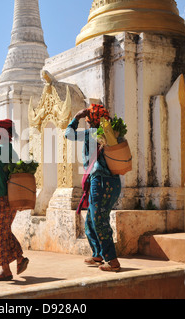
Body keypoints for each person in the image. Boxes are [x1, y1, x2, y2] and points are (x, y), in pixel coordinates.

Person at [65, 104, 122, 272]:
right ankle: (98, 254)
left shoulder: (93, 133)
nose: (88, 124)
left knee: (98, 220)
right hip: (112, 182)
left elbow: (68, 134)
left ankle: (112, 260)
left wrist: (76, 116)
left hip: (101, 182)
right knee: (91, 219)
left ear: (92, 122)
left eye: (89, 121)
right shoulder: (113, 134)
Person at [0, 119, 29, 281]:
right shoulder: (10, 149)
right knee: (3, 231)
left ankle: (8, 269)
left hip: (1, 195)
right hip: (11, 195)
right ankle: (13, 263)